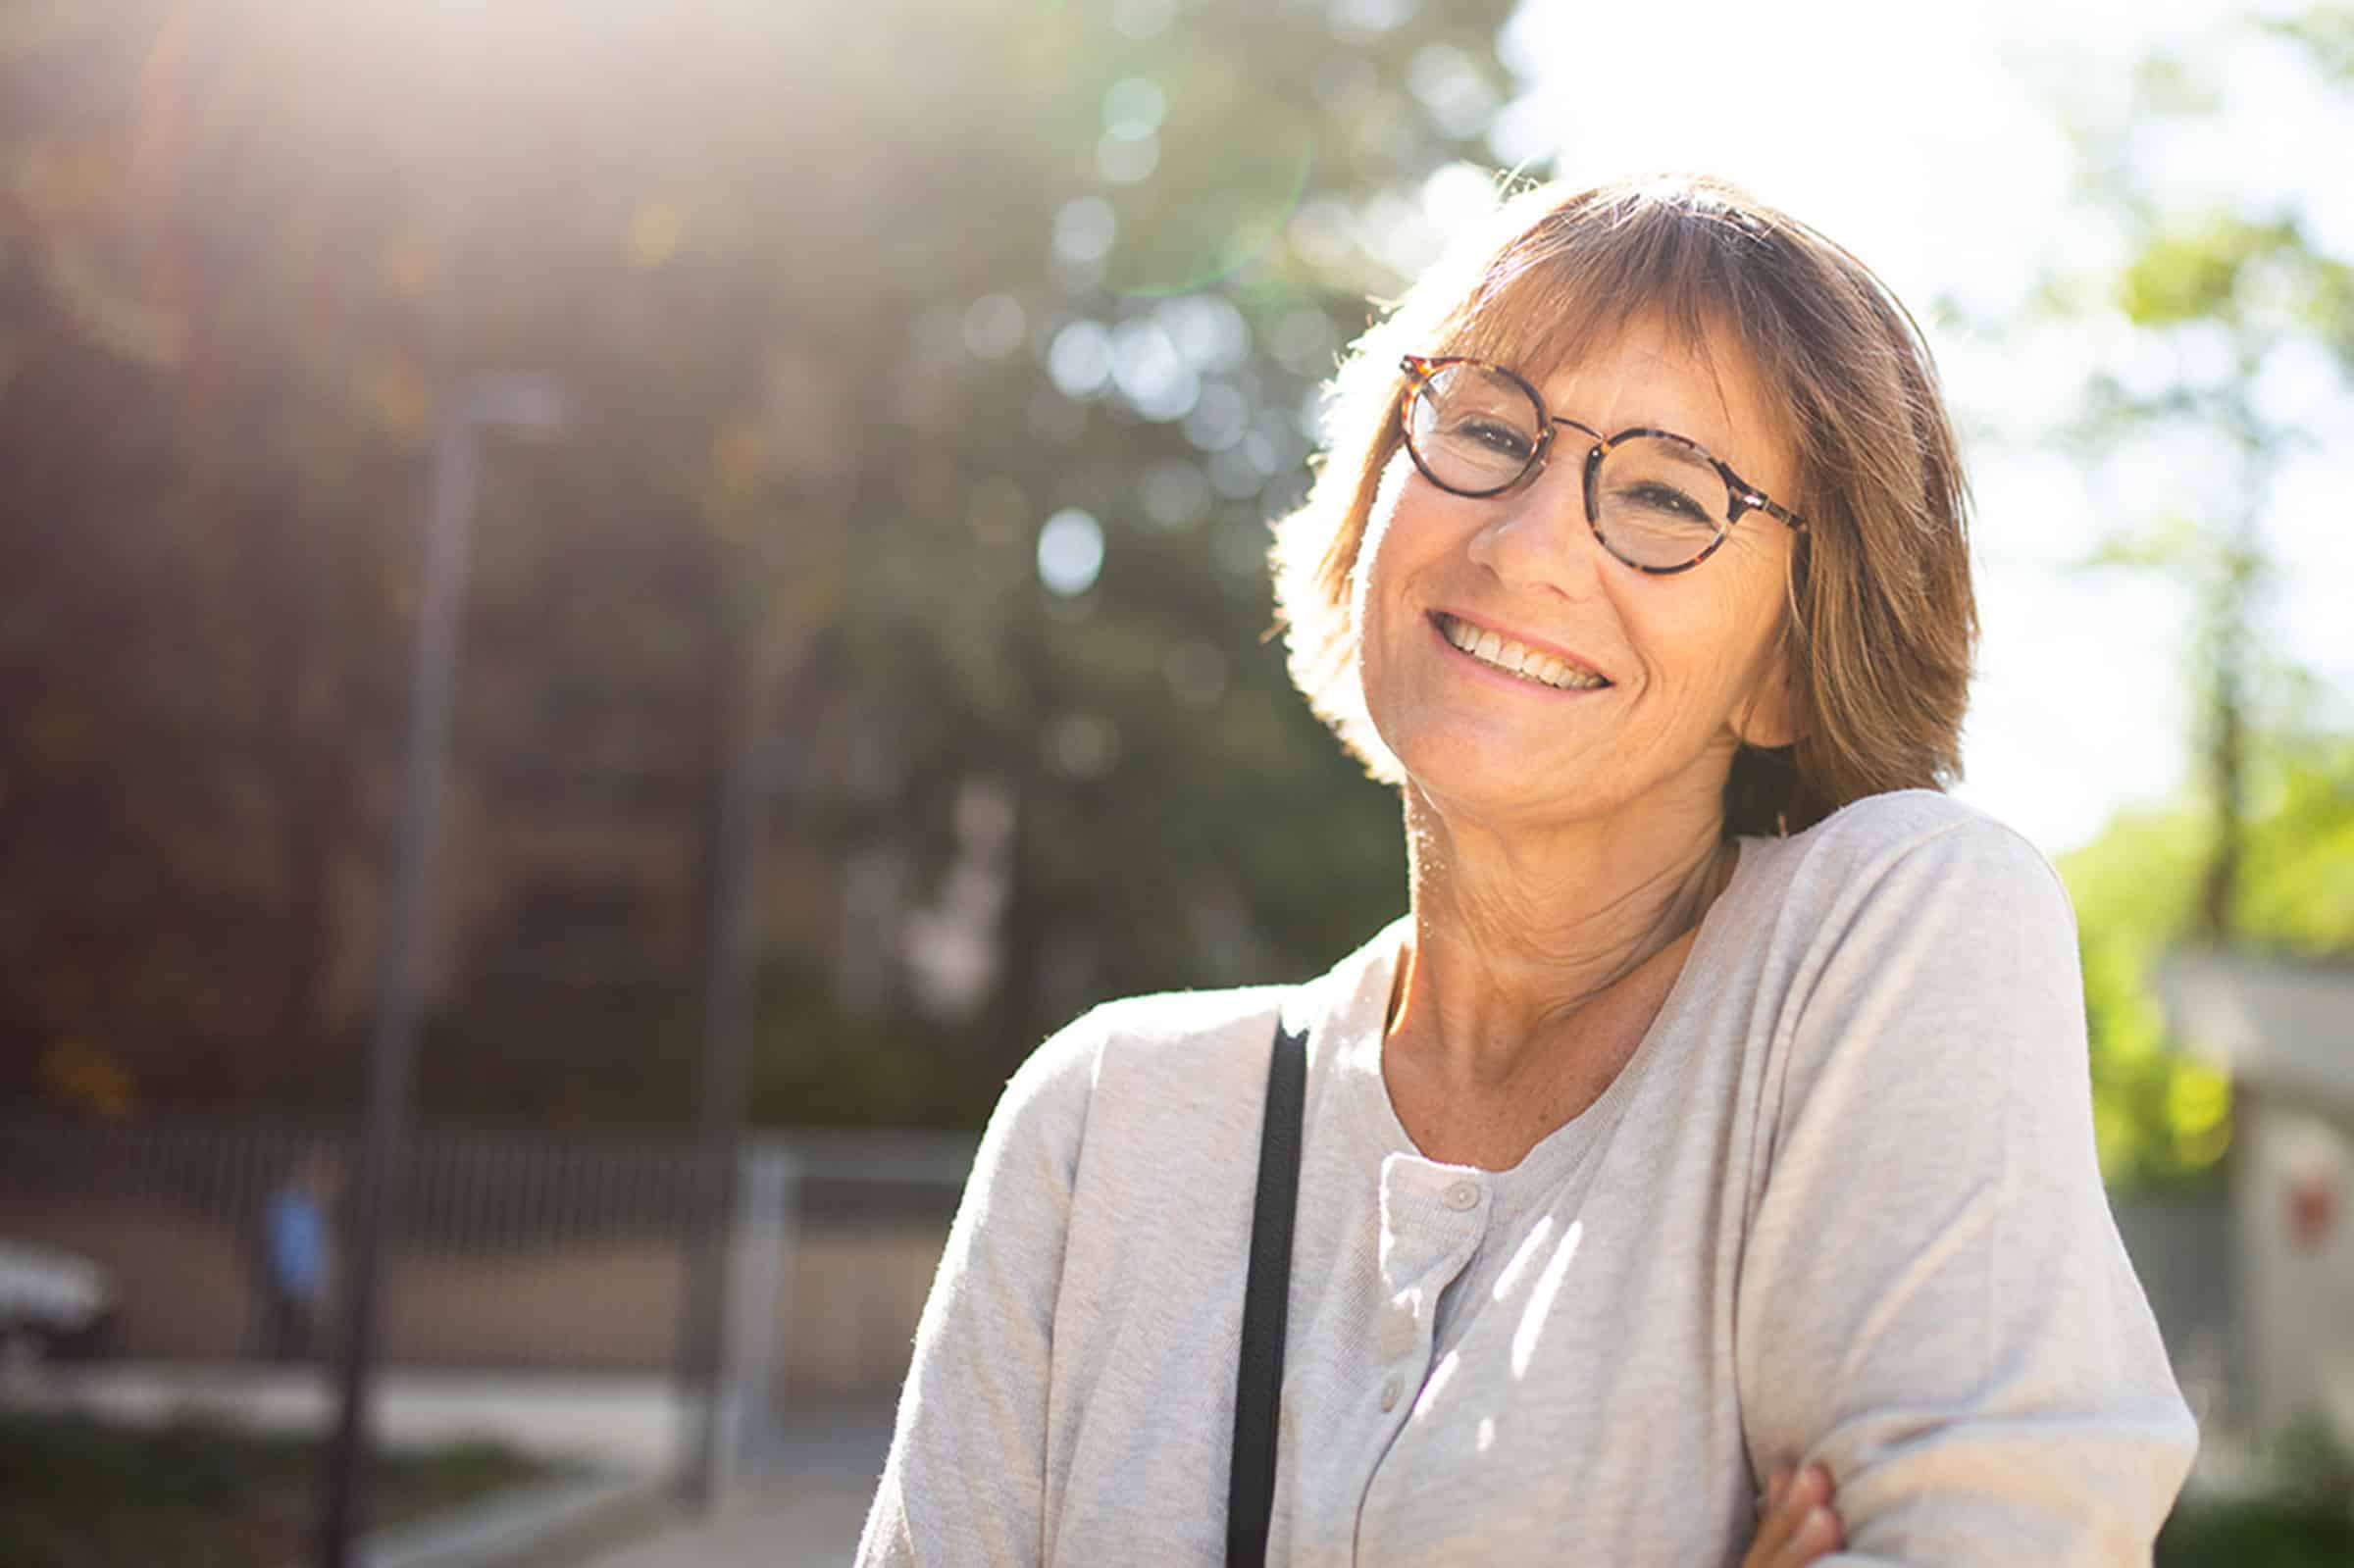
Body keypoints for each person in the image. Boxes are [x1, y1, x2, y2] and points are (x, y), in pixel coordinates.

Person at [855, 174, 2197, 1565]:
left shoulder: (1895, 935)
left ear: (1789, 664)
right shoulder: (1102, 1124)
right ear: (1377, 494)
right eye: (1487, 427)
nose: (1529, 540)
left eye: (1671, 495)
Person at [255, 1151, 335, 1362]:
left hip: (303, 1284)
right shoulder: (284, 1204)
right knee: (287, 1329)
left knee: (293, 1331)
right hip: (285, 1280)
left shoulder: (313, 1210)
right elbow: (271, 1241)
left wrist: (317, 1283)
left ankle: (284, 1363)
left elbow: (316, 1250)